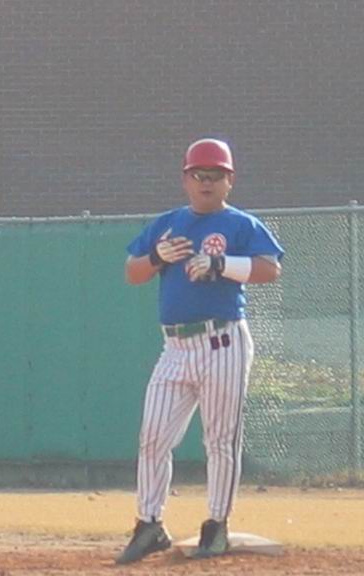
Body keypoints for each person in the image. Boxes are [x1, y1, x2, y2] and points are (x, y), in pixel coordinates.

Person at [115, 138, 284, 564]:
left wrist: (222, 264)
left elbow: (270, 268)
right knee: (153, 436)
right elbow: (132, 272)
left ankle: (216, 525)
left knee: (220, 440)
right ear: (186, 179)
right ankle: (149, 524)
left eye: (215, 175)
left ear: (230, 181)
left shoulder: (240, 224)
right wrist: (157, 256)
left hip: (222, 340)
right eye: (199, 174)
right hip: (175, 346)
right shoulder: (168, 224)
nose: (206, 182)